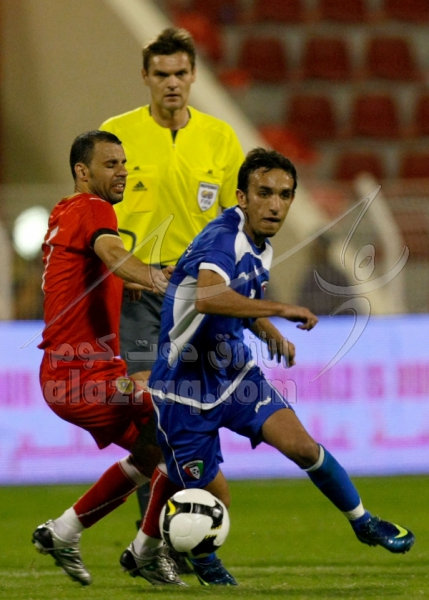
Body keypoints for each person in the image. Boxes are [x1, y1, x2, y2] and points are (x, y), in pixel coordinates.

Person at [143, 148, 415, 585]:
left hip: (234, 375)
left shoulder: (261, 246)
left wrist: (269, 332)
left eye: (285, 195)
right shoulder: (223, 237)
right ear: (242, 197)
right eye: (264, 193)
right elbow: (209, 297)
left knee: (304, 447)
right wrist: (281, 308)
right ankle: (200, 565)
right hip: (183, 390)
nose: (275, 204)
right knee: (215, 501)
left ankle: (363, 521)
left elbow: (240, 302)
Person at [100, 26, 244, 535]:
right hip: (138, 294)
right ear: (145, 76)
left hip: (197, 299)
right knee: (152, 414)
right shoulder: (116, 135)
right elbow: (95, 214)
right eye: (161, 74)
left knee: (195, 411)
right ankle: (155, 536)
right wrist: (122, 271)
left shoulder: (220, 137)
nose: (172, 83)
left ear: (194, 75)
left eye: (180, 72)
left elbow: (234, 222)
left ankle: (187, 530)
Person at [31, 130, 186, 587]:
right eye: (110, 164)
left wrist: (126, 280)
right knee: (179, 421)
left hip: (80, 371)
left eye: (124, 163)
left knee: (156, 451)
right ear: (83, 172)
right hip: (79, 375)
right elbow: (112, 252)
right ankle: (146, 552)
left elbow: (87, 268)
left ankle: (63, 532)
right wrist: (157, 279)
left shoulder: (65, 212)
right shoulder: (94, 208)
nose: (122, 172)